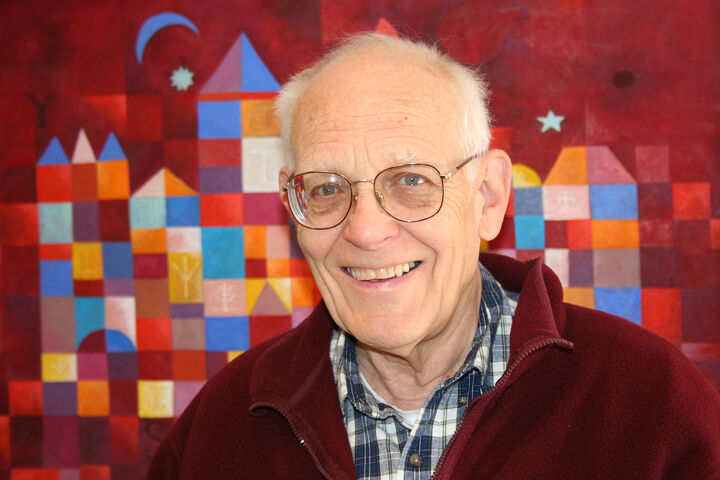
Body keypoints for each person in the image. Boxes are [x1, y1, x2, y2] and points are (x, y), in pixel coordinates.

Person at [147, 33, 720, 479]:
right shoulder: (221, 426)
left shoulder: (651, 403)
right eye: (326, 189)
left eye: (411, 181)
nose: (365, 230)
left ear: (488, 197)